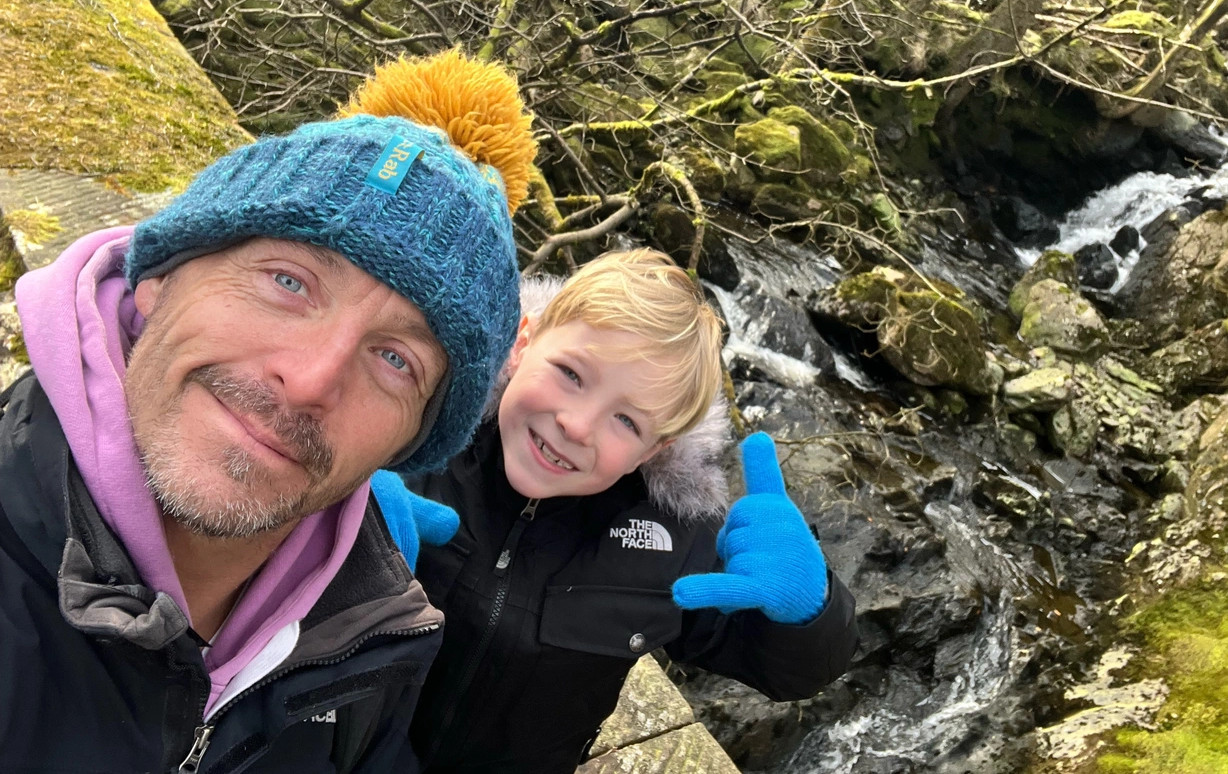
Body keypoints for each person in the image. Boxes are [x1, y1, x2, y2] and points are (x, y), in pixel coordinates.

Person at [0, 50, 535, 772]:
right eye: (288, 281)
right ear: (158, 277)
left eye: (394, 359)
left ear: (409, 443)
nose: (311, 381)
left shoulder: (379, 645)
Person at [401, 249, 859, 773]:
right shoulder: (420, 430)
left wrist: (810, 610)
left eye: (626, 421)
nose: (577, 426)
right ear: (524, 341)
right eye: (571, 374)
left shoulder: (674, 542)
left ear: (654, 450)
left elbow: (793, 673)